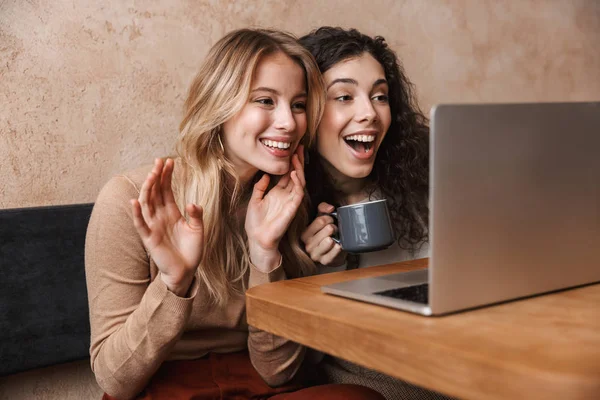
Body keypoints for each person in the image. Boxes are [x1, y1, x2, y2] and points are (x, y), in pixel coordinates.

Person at [85, 28, 384, 400]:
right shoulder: (129, 198)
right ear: (218, 104)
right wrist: (173, 284)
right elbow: (115, 380)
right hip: (161, 386)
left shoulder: (287, 199)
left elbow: (277, 372)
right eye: (264, 101)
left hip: (255, 383)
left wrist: (265, 254)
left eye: (298, 104)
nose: (289, 123)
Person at [299, 28, 451, 400]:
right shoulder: (284, 209)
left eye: (379, 96)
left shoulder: (424, 178)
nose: (369, 113)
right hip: (376, 370)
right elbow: (298, 357)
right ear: (307, 110)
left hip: (452, 348)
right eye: (344, 97)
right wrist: (321, 271)